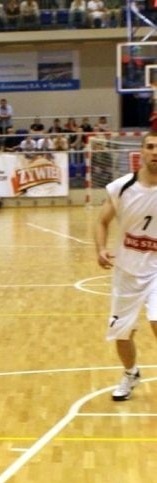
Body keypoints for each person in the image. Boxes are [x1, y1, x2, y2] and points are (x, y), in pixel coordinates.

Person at [94, 131, 157, 401]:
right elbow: (101, 221)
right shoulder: (121, 187)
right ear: (141, 152)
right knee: (122, 332)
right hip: (128, 271)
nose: (155, 152)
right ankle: (131, 373)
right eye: (151, 146)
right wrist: (100, 249)